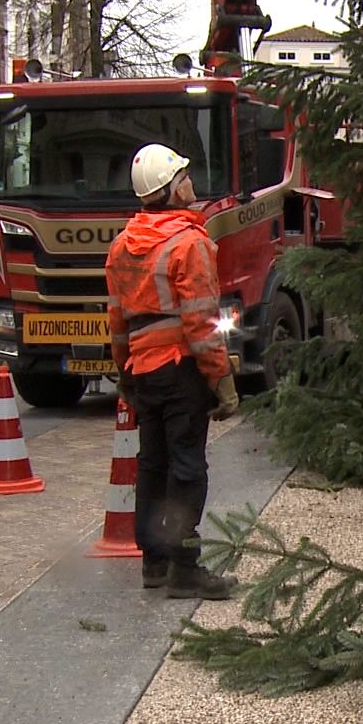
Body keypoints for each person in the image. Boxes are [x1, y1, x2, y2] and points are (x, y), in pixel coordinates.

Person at [105, 143, 242, 599]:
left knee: (153, 464)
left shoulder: (123, 245)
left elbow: (117, 318)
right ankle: (185, 567)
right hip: (180, 368)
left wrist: (125, 373)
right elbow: (201, 321)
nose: (191, 183)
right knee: (186, 468)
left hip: (144, 369)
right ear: (171, 189)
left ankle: (155, 562)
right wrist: (221, 379)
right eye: (184, 177)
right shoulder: (189, 243)